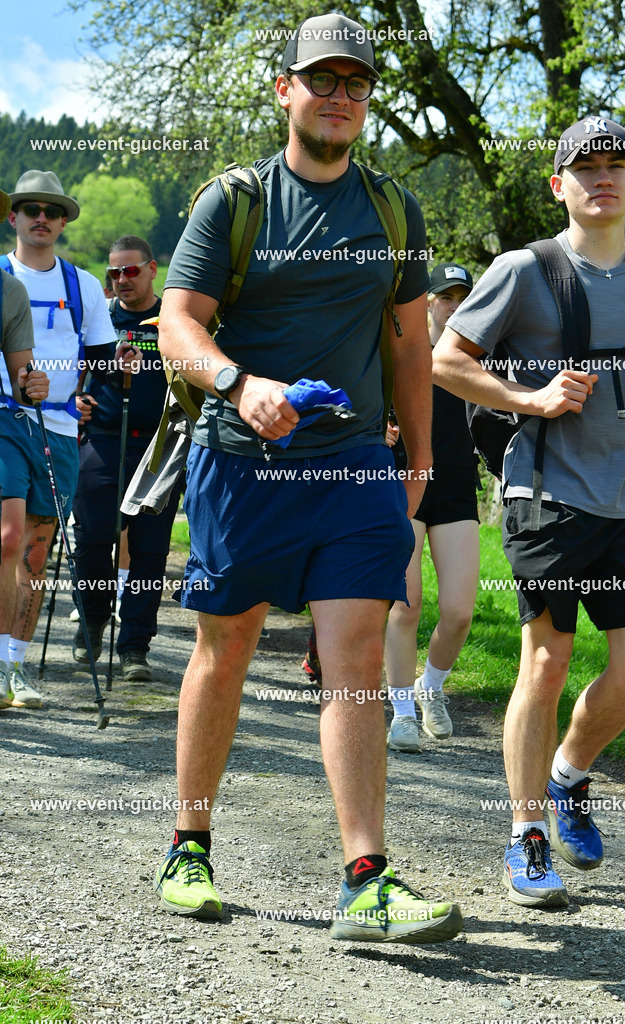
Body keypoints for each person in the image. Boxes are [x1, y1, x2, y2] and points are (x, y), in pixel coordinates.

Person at [153, 13, 463, 944]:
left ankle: (365, 876)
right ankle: (189, 844)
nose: (338, 96)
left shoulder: (395, 209)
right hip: (242, 466)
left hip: (354, 466)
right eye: (321, 79)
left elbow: (411, 340)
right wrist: (239, 384)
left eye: (355, 84)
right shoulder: (236, 199)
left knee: (359, 657)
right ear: (285, 90)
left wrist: (418, 458)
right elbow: (177, 322)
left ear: (367, 103)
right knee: (226, 650)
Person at [433, 116, 625, 907]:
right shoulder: (523, 269)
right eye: (585, 168)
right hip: (543, 495)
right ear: (557, 184)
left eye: (616, 166)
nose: (602, 178)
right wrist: (528, 398)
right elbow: (446, 361)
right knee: (543, 662)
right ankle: (525, 835)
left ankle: (568, 775)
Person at [0, 170, 135, 709]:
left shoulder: (80, 285)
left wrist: (117, 368)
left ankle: (16, 667)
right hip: (5, 417)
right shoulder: (0, 277)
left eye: (51, 212)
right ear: (13, 217)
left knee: (35, 553)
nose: (41, 218)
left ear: (62, 223)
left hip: (58, 430)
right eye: (31, 208)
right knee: (8, 538)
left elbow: (101, 359)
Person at [71, 236, 182, 682]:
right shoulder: (100, 318)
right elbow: (70, 374)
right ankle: (94, 619)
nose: (121, 280)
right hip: (101, 440)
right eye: (113, 273)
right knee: (95, 537)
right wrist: (73, 402)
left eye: (131, 271)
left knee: (151, 551)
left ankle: (135, 645)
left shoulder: (172, 322)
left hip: (158, 446)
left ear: (153, 269)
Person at [385, 263, 480, 753]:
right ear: (428, 302)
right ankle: (401, 712)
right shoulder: (402, 349)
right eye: (447, 297)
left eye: (465, 297)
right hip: (404, 482)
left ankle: (431, 686)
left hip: (458, 489)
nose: (456, 306)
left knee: (460, 611)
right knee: (405, 605)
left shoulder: (482, 356)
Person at [0, 185, 50, 709]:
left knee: (11, 538)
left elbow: (22, 375)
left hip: (3, 423)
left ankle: (0, 668)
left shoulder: (8, 290)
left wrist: (32, 383)